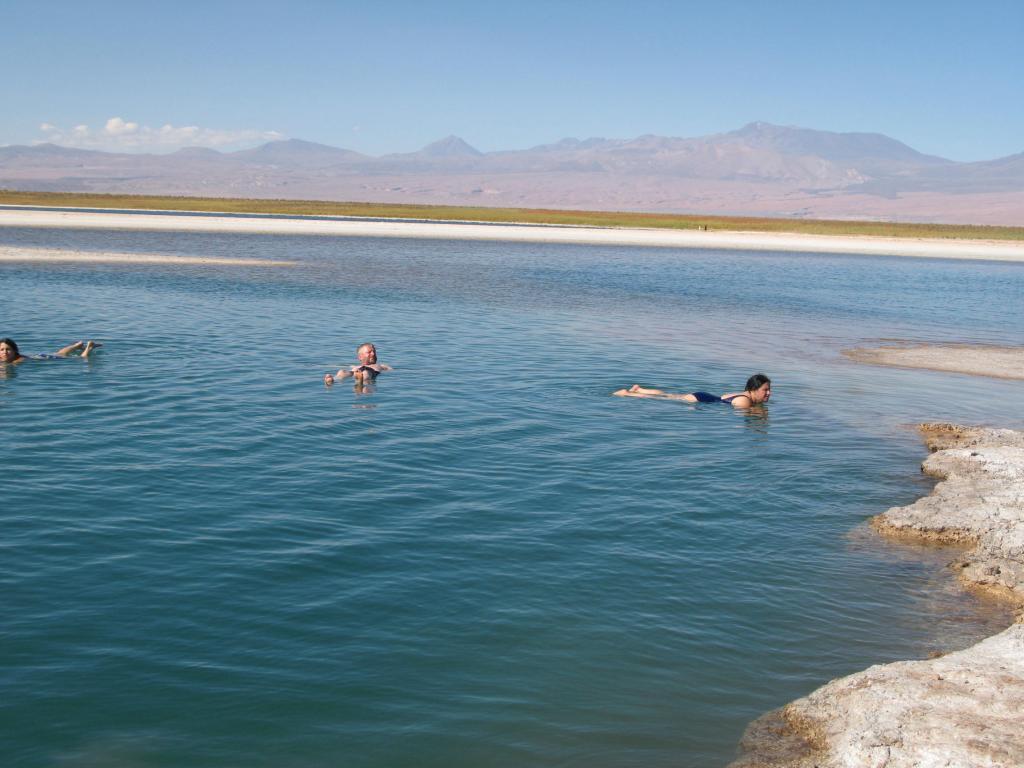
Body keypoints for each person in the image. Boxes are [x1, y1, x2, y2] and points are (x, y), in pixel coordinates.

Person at [613, 373, 771, 408]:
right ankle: (626, 394)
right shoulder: (745, 401)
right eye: (765, 390)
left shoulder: (743, 394)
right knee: (664, 398)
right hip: (700, 400)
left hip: (704, 396)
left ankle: (639, 389)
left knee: (668, 395)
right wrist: (759, 413)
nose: (768, 393)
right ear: (754, 389)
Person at [323, 342, 392, 386]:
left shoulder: (382, 365)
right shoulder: (355, 366)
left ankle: (359, 383)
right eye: (369, 352)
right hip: (357, 370)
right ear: (360, 357)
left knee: (366, 373)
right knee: (342, 371)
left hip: (370, 371)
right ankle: (333, 380)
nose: (373, 354)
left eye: (374, 351)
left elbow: (391, 371)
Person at [0, 337, 100, 365]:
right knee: (60, 353)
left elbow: (8, 366)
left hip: (45, 359)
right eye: (2, 350)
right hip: (39, 355)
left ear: (14, 351)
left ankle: (88, 347)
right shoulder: (6, 359)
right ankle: (77, 345)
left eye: (8, 349)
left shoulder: (17, 360)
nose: (5, 352)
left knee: (80, 358)